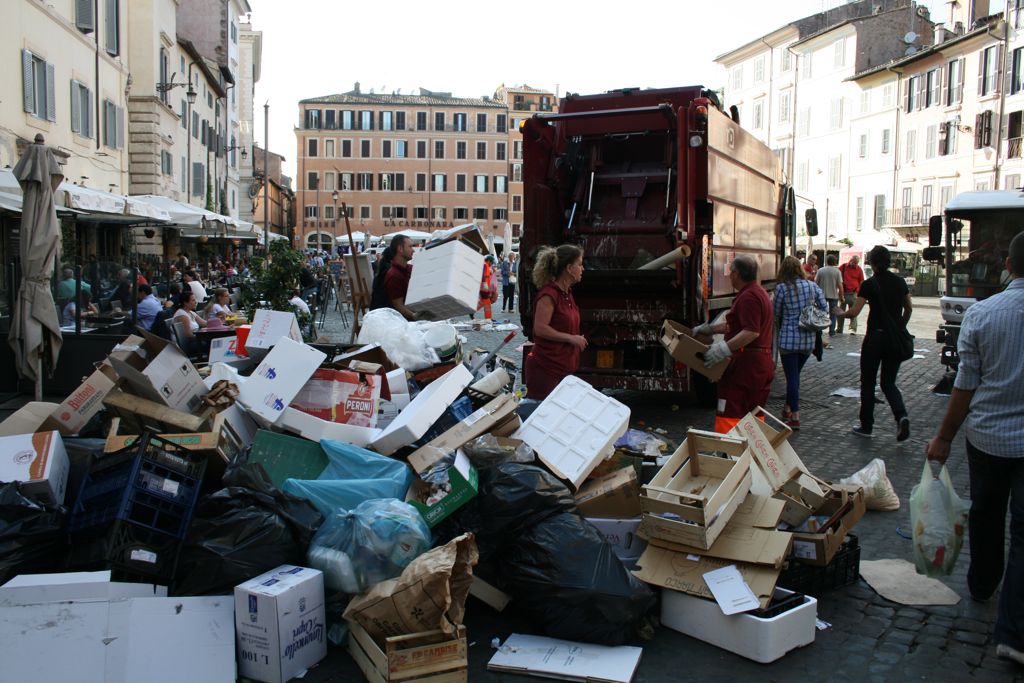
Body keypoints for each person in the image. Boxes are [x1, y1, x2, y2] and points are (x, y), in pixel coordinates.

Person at [925, 232, 1024, 667]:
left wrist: (944, 437)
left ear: (1009, 263)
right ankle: (1014, 634)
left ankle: (983, 583)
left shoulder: (983, 314)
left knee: (986, 510)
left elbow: (964, 385)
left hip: (987, 438)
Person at [837, 245, 912, 440]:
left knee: (868, 383)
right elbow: (909, 308)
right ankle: (901, 416)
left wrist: (840, 313)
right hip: (893, 340)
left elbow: (854, 312)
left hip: (875, 339)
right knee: (889, 383)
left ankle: (866, 425)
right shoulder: (900, 282)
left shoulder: (870, 284)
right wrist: (899, 327)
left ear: (872, 262)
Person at [693, 254, 774, 433]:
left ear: (737, 273)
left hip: (746, 367)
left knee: (730, 411)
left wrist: (723, 348)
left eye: (731, 272)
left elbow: (751, 331)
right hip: (757, 365)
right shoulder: (757, 293)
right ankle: (749, 452)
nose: (730, 276)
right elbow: (738, 326)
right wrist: (710, 329)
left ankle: (728, 453)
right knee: (753, 414)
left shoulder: (748, 297)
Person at [524, 245, 586, 400]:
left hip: (562, 369)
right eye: (579, 264)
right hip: (546, 370)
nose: (582, 268)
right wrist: (571, 338)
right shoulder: (549, 294)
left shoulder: (567, 294)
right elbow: (540, 328)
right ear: (569, 268)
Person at [773, 256, 827, 430]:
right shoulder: (812, 286)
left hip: (788, 339)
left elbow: (776, 313)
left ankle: (795, 416)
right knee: (795, 376)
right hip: (807, 340)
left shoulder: (782, 288)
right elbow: (824, 307)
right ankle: (787, 408)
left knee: (792, 378)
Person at [370, 234, 418, 320]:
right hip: (400, 322)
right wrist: (416, 316)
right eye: (410, 247)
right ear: (400, 249)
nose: (413, 250)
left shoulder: (408, 269)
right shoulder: (394, 275)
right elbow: (398, 305)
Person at [815, 254, 844, 338]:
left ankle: (819, 330)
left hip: (821, 295)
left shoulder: (821, 270)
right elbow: (840, 285)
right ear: (835, 262)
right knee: (833, 314)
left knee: (820, 313)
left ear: (826, 261)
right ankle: (831, 331)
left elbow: (816, 283)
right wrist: (841, 296)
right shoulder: (837, 271)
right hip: (833, 295)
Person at [837, 254, 865, 334]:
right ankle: (839, 329)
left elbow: (861, 281)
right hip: (843, 292)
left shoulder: (859, 269)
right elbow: (838, 276)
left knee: (854, 312)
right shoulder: (843, 267)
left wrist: (858, 290)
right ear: (851, 260)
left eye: (856, 263)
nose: (855, 264)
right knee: (841, 312)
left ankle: (853, 329)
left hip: (853, 293)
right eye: (854, 262)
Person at [476, 255, 499, 320]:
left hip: (484, 287)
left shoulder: (487, 266)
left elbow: (487, 276)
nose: (492, 264)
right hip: (484, 287)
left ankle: (472, 311)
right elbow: (482, 274)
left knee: (484, 302)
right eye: (491, 262)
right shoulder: (485, 265)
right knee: (487, 303)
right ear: (488, 261)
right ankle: (488, 319)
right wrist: (484, 284)